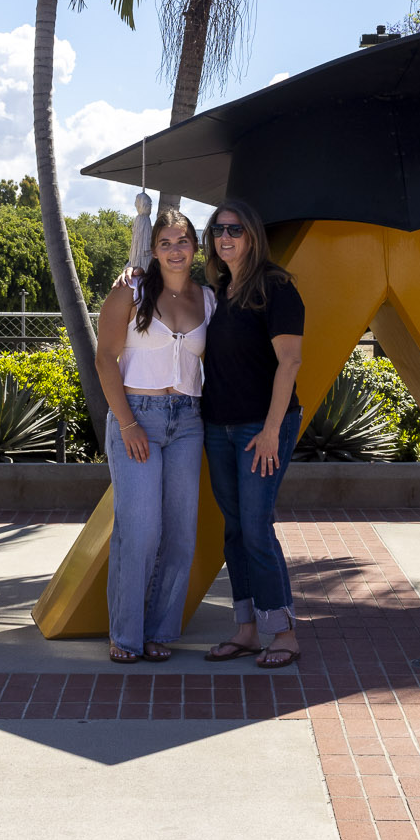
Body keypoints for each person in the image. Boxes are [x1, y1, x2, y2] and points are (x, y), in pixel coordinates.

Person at [92, 208, 211, 664]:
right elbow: (105, 359)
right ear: (153, 249)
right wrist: (127, 424)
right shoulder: (132, 290)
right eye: (166, 243)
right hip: (136, 415)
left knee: (181, 534)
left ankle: (160, 631)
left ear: (194, 248)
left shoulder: (208, 299)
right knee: (140, 530)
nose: (175, 250)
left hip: (188, 421)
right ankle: (125, 636)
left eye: (182, 241)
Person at [199, 199, 306, 669]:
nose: (226, 237)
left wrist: (270, 431)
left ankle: (282, 633)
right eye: (218, 229)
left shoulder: (276, 287)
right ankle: (245, 630)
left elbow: (290, 362)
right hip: (217, 427)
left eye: (235, 229)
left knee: (257, 529)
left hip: (259, 429)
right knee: (236, 530)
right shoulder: (219, 290)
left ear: (253, 235)